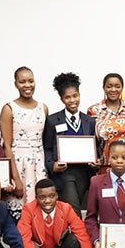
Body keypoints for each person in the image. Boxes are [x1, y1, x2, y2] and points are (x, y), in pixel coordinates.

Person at [44, 72, 98, 216]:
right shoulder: (52, 120)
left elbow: (95, 147)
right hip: (65, 174)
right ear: (62, 99)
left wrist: (96, 161)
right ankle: (77, 238)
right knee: (73, 212)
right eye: (67, 97)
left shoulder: (90, 121)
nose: (72, 100)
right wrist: (51, 165)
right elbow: (47, 147)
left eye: (75, 96)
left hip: (84, 174)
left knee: (80, 210)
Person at [0, 67, 48, 220]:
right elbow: (6, 145)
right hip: (19, 164)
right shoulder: (9, 108)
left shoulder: (43, 107)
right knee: (18, 214)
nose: (27, 85)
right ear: (16, 84)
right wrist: (16, 178)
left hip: (39, 163)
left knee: (41, 208)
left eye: (31, 81)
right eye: (22, 82)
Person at [88, 73, 125, 174]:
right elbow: (90, 138)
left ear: (122, 88)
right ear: (104, 88)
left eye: (117, 86)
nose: (113, 90)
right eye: (109, 86)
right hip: (105, 169)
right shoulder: (94, 110)